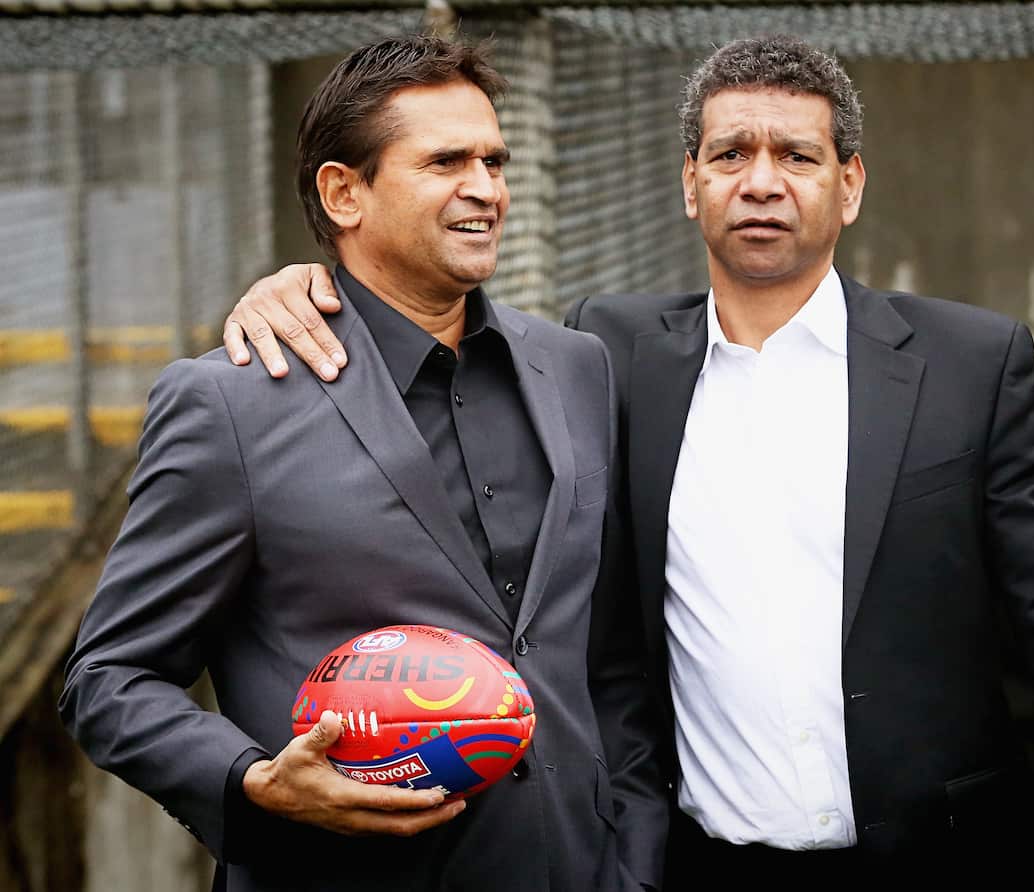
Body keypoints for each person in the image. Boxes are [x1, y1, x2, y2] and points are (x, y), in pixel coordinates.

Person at [221, 35, 1034, 890]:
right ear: (690, 184)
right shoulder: (606, 355)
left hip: (948, 859)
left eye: (797, 156)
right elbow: (423, 307)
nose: (761, 181)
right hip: (697, 864)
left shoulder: (973, 364)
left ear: (849, 184)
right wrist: (305, 285)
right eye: (730, 155)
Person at [59, 34, 667, 892]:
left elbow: (605, 658)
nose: (486, 190)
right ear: (344, 192)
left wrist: (633, 855)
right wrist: (255, 783)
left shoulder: (576, 367)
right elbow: (108, 678)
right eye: (446, 161)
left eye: (495, 160)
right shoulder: (230, 403)